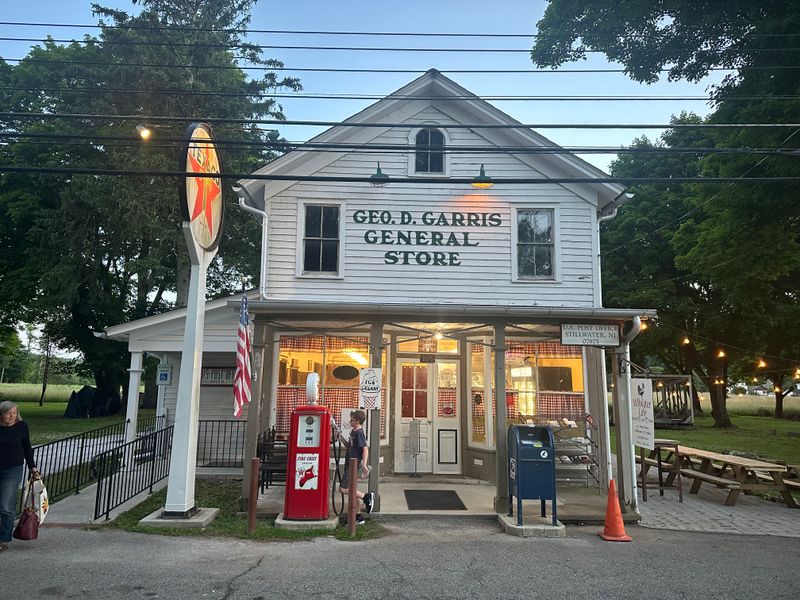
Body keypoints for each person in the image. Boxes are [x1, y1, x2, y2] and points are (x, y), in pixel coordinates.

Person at [0, 401, 39, 552]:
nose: (12, 416)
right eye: (8, 413)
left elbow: (27, 447)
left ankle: (3, 538)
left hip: (12, 468)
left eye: (14, 413)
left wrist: (32, 467)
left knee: (5, 505)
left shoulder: (22, 427)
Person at [338, 409, 375, 525]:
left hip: (353, 465)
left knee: (343, 489)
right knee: (353, 490)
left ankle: (366, 497)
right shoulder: (354, 432)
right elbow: (350, 447)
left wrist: (364, 464)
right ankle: (358, 518)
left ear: (358, 421)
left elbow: (365, 448)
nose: (350, 421)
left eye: (352, 420)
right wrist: (340, 437)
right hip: (350, 463)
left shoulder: (359, 433)